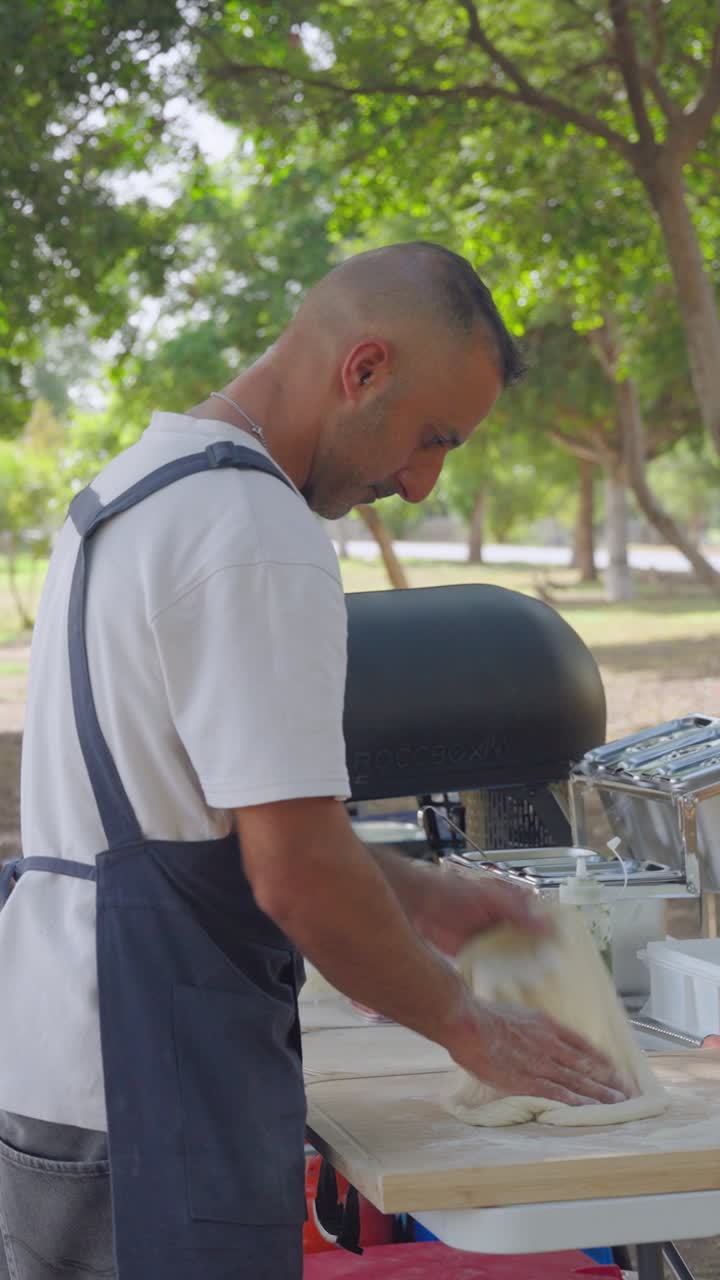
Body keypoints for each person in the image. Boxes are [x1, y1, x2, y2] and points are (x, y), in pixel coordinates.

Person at [0, 242, 625, 1280]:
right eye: (432, 439)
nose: (422, 483)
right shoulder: (257, 532)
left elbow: (193, 818)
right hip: (152, 1098)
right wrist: (467, 1021)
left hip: (53, 1069)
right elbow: (292, 870)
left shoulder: (132, 488)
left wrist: (422, 894)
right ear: (363, 368)